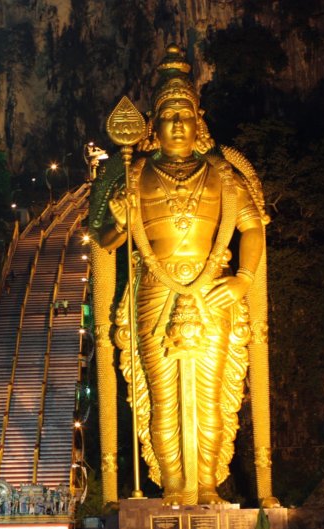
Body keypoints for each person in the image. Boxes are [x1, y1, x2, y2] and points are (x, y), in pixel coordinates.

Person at [92, 44, 276, 505]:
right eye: (168, 116)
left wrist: (243, 279)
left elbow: (253, 229)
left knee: (210, 396)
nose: (177, 124)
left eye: (185, 115)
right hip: (155, 289)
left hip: (213, 286)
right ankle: (174, 485)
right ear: (152, 124)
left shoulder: (223, 174)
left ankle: (208, 485)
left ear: (199, 121)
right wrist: (119, 214)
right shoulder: (134, 175)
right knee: (162, 396)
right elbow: (106, 240)